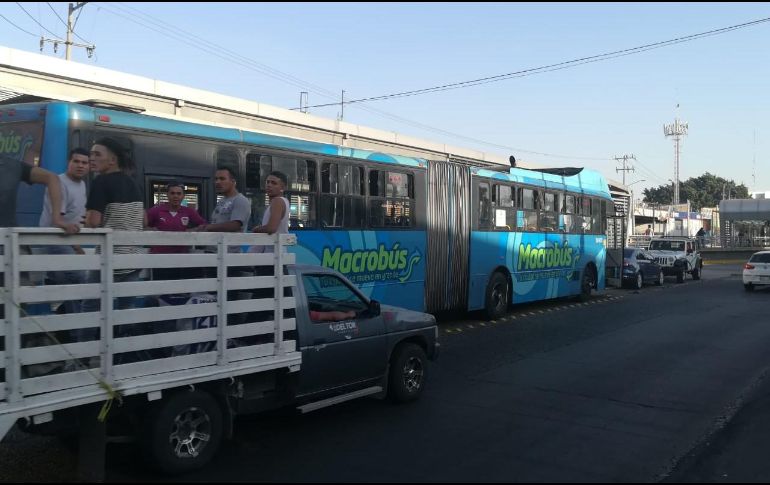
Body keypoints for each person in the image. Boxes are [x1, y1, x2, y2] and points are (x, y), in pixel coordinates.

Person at [82, 138, 146, 317]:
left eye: (97, 154)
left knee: (90, 308)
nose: (91, 158)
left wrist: (86, 221)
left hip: (109, 257)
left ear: (112, 160)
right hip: (132, 258)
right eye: (91, 154)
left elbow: (93, 221)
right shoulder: (134, 183)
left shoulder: (101, 182)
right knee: (127, 311)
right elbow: (144, 220)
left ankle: (87, 336)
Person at [38, 148, 90, 314]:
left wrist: (77, 246)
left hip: (69, 240)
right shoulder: (60, 183)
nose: (80, 165)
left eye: (84, 163)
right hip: (55, 238)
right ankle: (77, 322)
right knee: (79, 276)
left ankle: (72, 321)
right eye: (76, 161)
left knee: (71, 284)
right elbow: (59, 222)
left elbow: (73, 220)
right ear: (68, 163)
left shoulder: (82, 185)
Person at [146, 181, 207, 280]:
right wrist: (152, 230)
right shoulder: (155, 211)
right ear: (167, 195)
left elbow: (203, 225)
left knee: (180, 287)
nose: (175, 196)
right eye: (172, 193)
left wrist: (192, 230)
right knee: (161, 287)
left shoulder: (189, 211)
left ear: (183, 196)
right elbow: (143, 226)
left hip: (181, 257)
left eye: (179, 193)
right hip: (160, 257)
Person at [251, 171, 290, 251]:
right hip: (276, 251)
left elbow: (271, 228)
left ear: (282, 188)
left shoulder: (277, 201)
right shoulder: (283, 201)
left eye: (274, 183)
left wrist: (256, 229)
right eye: (267, 182)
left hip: (273, 253)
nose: (269, 185)